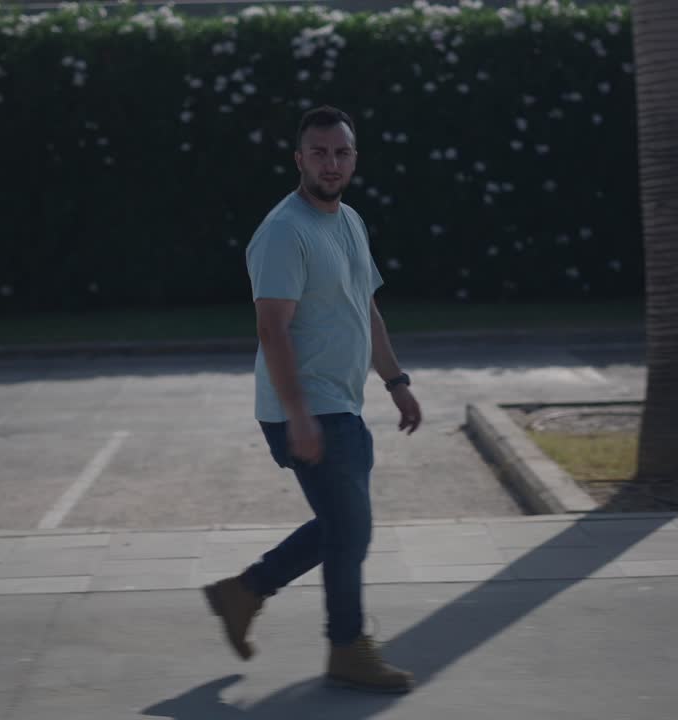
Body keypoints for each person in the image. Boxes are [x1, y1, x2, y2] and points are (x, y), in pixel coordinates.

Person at [202, 105, 422, 695]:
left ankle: (243, 592)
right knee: (351, 530)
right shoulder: (283, 231)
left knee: (343, 527)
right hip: (305, 407)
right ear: (299, 159)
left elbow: (364, 307)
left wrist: (396, 382)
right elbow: (272, 330)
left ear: (354, 158)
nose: (331, 163)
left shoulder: (349, 220)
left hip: (340, 405)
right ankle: (346, 647)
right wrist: (299, 416)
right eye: (319, 152)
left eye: (341, 152)